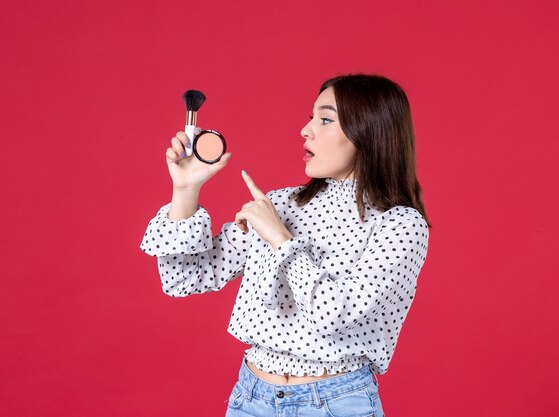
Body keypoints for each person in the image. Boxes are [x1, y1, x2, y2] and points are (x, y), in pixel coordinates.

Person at [139, 73, 431, 417]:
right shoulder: (280, 204)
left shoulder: (400, 225)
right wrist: (185, 190)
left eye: (324, 119)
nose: (306, 130)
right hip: (252, 399)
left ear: (369, 132)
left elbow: (333, 314)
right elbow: (184, 278)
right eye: (310, 117)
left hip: (336, 404)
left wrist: (281, 239)